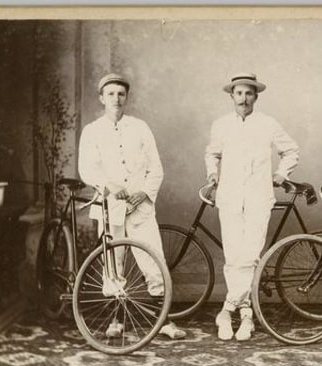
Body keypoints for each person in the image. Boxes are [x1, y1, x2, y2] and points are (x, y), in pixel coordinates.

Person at [78, 73, 186, 340]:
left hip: (140, 208)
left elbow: (156, 168)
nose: (116, 99)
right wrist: (109, 185)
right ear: (101, 98)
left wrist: (144, 193)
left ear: (126, 98)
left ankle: (164, 320)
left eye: (121, 94)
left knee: (154, 260)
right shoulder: (92, 131)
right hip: (109, 207)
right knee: (113, 265)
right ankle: (116, 320)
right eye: (111, 94)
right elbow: (87, 169)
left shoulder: (140, 128)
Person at [205, 73, 300, 341]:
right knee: (234, 255)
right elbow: (212, 153)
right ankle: (246, 311)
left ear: (256, 96)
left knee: (250, 255)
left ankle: (227, 310)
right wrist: (212, 173)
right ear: (232, 96)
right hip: (230, 196)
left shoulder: (268, 123)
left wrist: (282, 173)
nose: (243, 99)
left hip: (259, 196)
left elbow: (291, 150)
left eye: (248, 93)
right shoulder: (221, 125)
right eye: (239, 93)